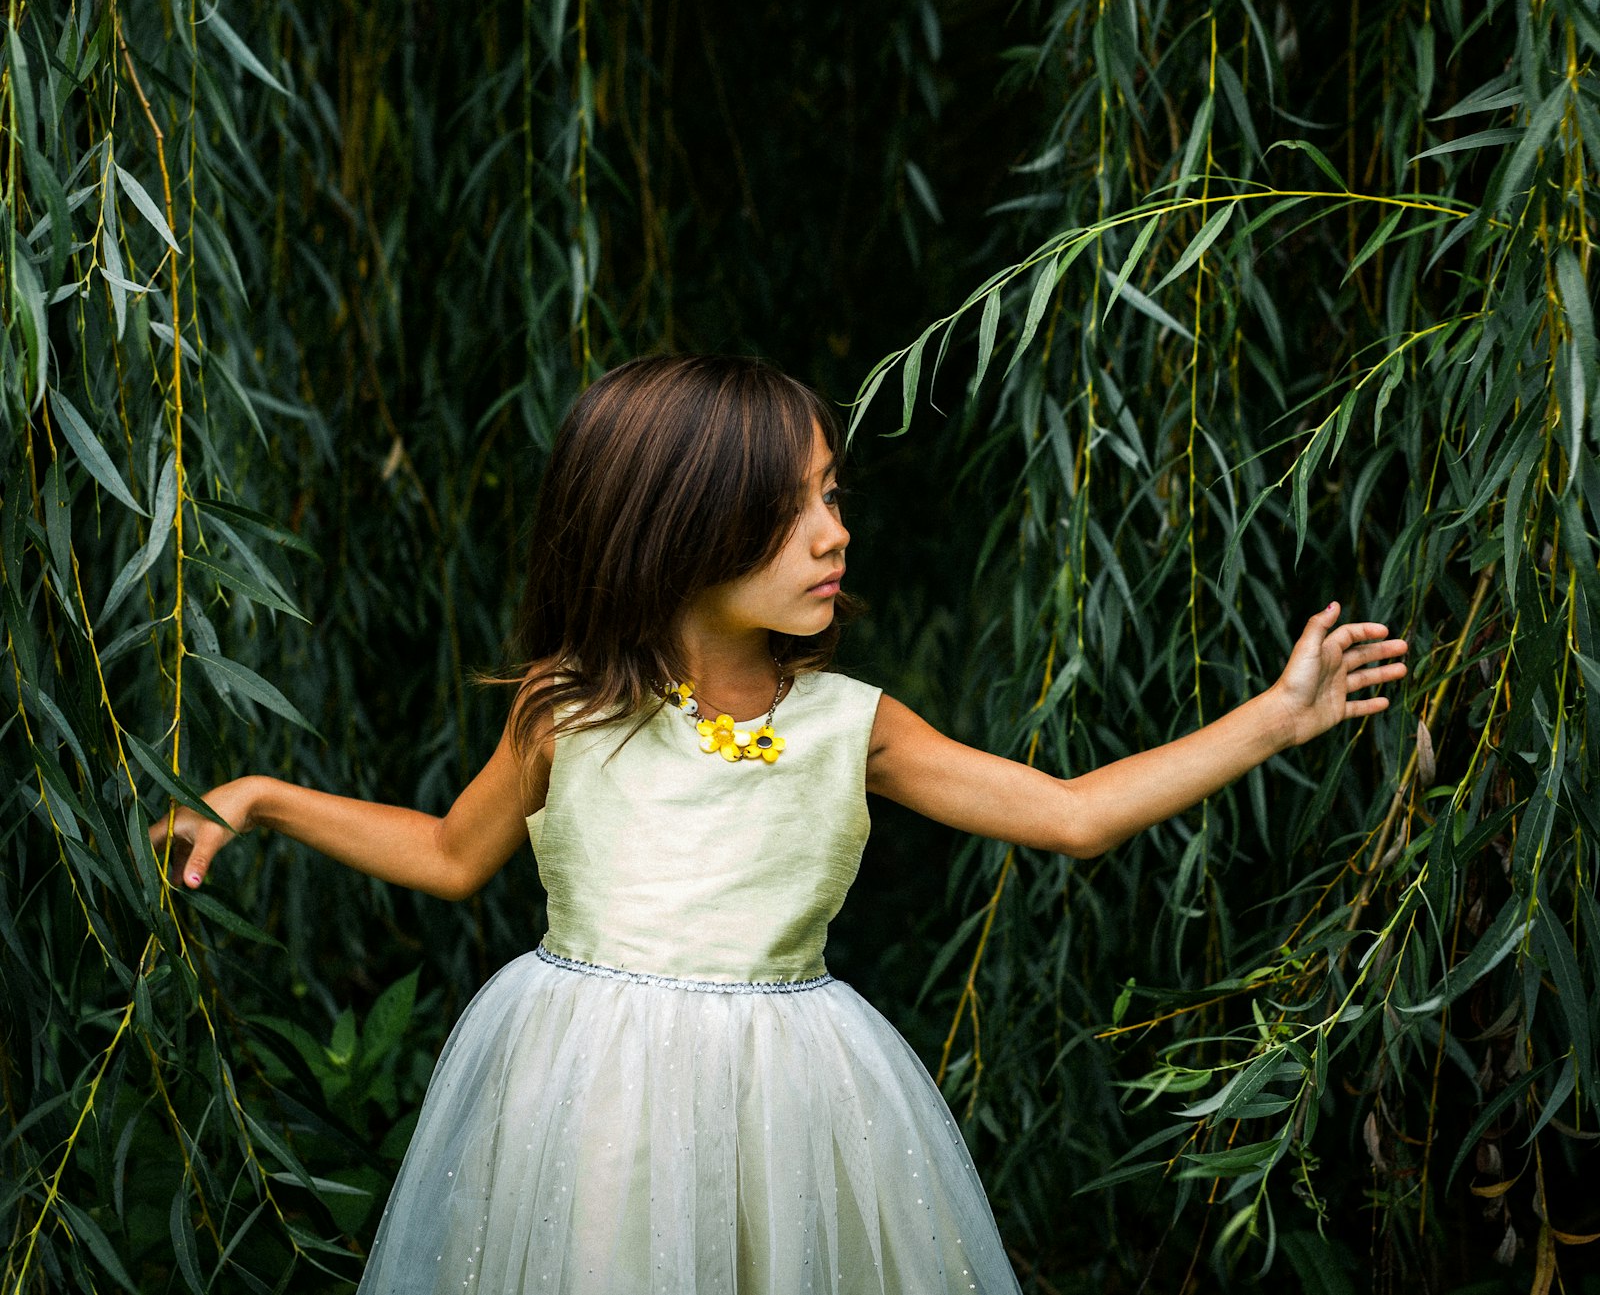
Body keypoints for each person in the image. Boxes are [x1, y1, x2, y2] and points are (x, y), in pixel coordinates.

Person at [153, 355, 1409, 1295]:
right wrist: (265, 797)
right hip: (589, 1095)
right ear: (683, 521)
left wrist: (1271, 718)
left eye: (832, 493)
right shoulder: (569, 711)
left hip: (791, 1103)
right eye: (792, 506)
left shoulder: (851, 722)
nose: (835, 531)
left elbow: (1072, 815)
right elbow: (446, 852)